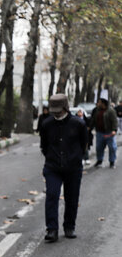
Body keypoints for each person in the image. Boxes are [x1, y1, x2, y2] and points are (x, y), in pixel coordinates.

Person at [39, 94, 87, 242]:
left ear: (65, 107)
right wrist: (51, 158)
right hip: (53, 167)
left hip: (73, 168)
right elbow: (44, 146)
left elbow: (84, 144)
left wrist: (75, 157)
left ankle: (69, 227)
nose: (56, 113)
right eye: (54, 110)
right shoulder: (46, 124)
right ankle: (52, 229)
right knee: (52, 196)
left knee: (71, 198)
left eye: (59, 110)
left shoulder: (78, 124)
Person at [90, 97, 117, 168]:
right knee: (99, 147)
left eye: (99, 102)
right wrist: (90, 127)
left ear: (103, 103)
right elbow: (93, 119)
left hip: (109, 133)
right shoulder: (96, 110)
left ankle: (112, 161)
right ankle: (99, 160)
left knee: (112, 148)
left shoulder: (110, 110)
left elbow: (114, 121)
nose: (97, 103)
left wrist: (114, 130)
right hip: (99, 132)